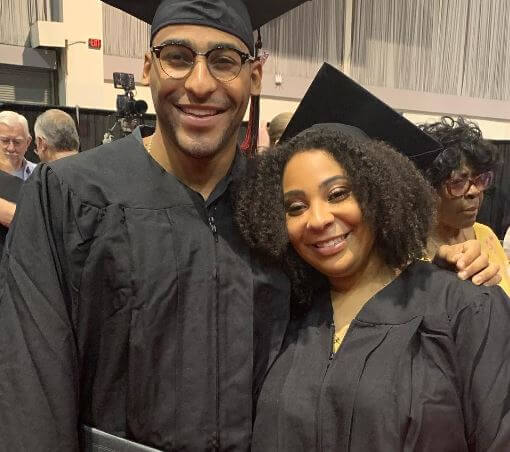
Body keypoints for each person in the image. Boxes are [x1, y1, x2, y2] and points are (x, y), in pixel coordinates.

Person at [0, 1, 306, 450]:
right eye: (178, 57)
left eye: (224, 61)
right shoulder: (71, 194)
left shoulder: (282, 204)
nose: (200, 84)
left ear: (254, 77)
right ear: (148, 67)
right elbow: (31, 379)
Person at [236, 125, 510, 451]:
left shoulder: (465, 306)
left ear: (380, 193)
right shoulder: (286, 319)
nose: (318, 219)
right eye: (295, 207)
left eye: (338, 194)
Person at [421, 116, 510, 295]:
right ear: (428, 188)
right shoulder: (408, 251)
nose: (474, 191)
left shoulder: (486, 235)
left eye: (481, 179)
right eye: (457, 182)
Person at [0, 110, 37, 180]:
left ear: (28, 142)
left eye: (17, 142)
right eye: (5, 141)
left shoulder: (40, 176)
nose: (11, 148)